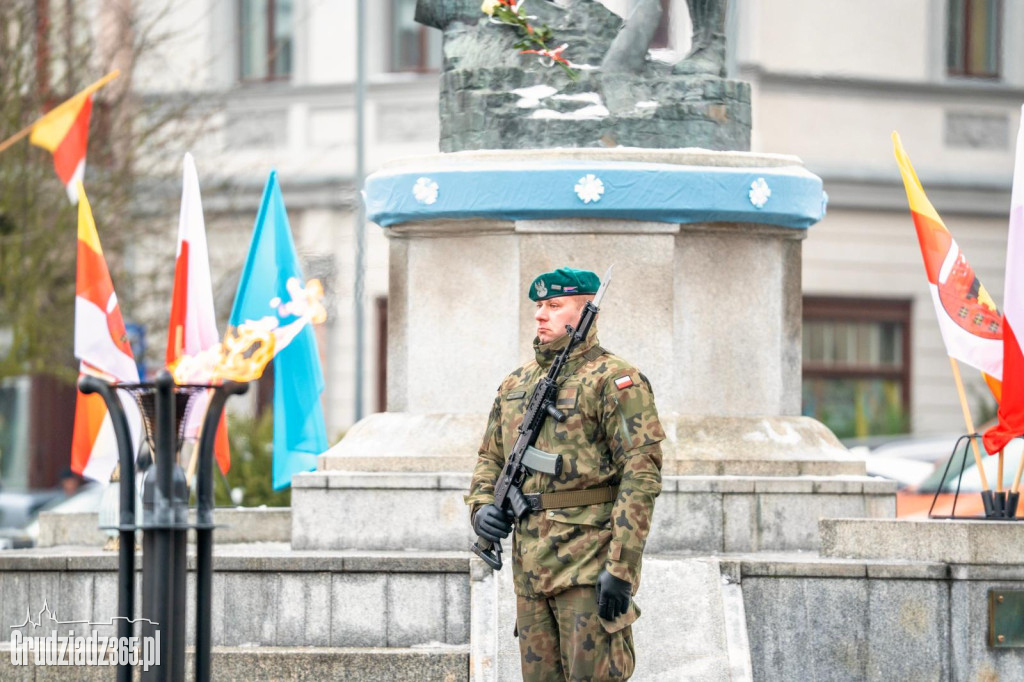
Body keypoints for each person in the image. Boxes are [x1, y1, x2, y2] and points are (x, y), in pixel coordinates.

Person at [466, 267, 664, 681]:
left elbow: (641, 476)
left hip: (588, 564)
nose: (541, 315)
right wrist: (482, 506)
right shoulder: (516, 383)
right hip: (531, 568)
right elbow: (491, 457)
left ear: (585, 311)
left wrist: (622, 567)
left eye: (554, 306)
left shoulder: (616, 380)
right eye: (539, 306)